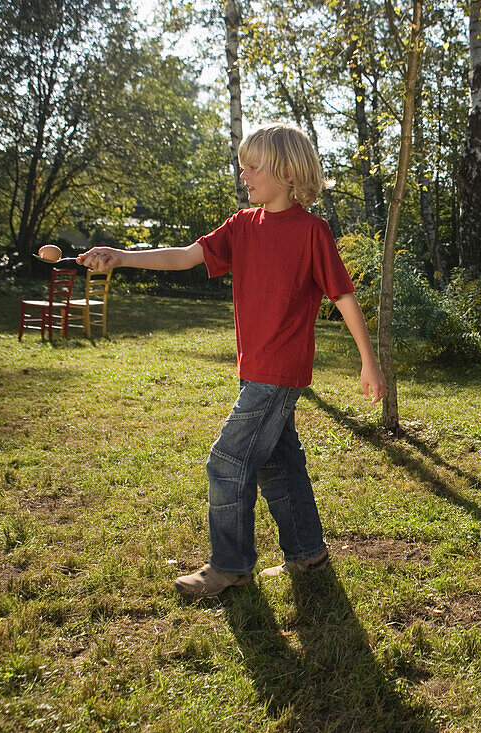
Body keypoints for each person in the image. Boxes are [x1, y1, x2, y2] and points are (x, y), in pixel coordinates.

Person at [78, 123, 386, 597]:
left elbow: (342, 295)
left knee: (227, 461)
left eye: (253, 166)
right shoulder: (242, 226)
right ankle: (308, 554)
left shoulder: (311, 231)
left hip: (278, 374)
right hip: (254, 371)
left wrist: (369, 360)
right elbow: (184, 256)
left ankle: (230, 565)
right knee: (278, 464)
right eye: (242, 165)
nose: (244, 174)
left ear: (285, 171)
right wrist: (121, 256)